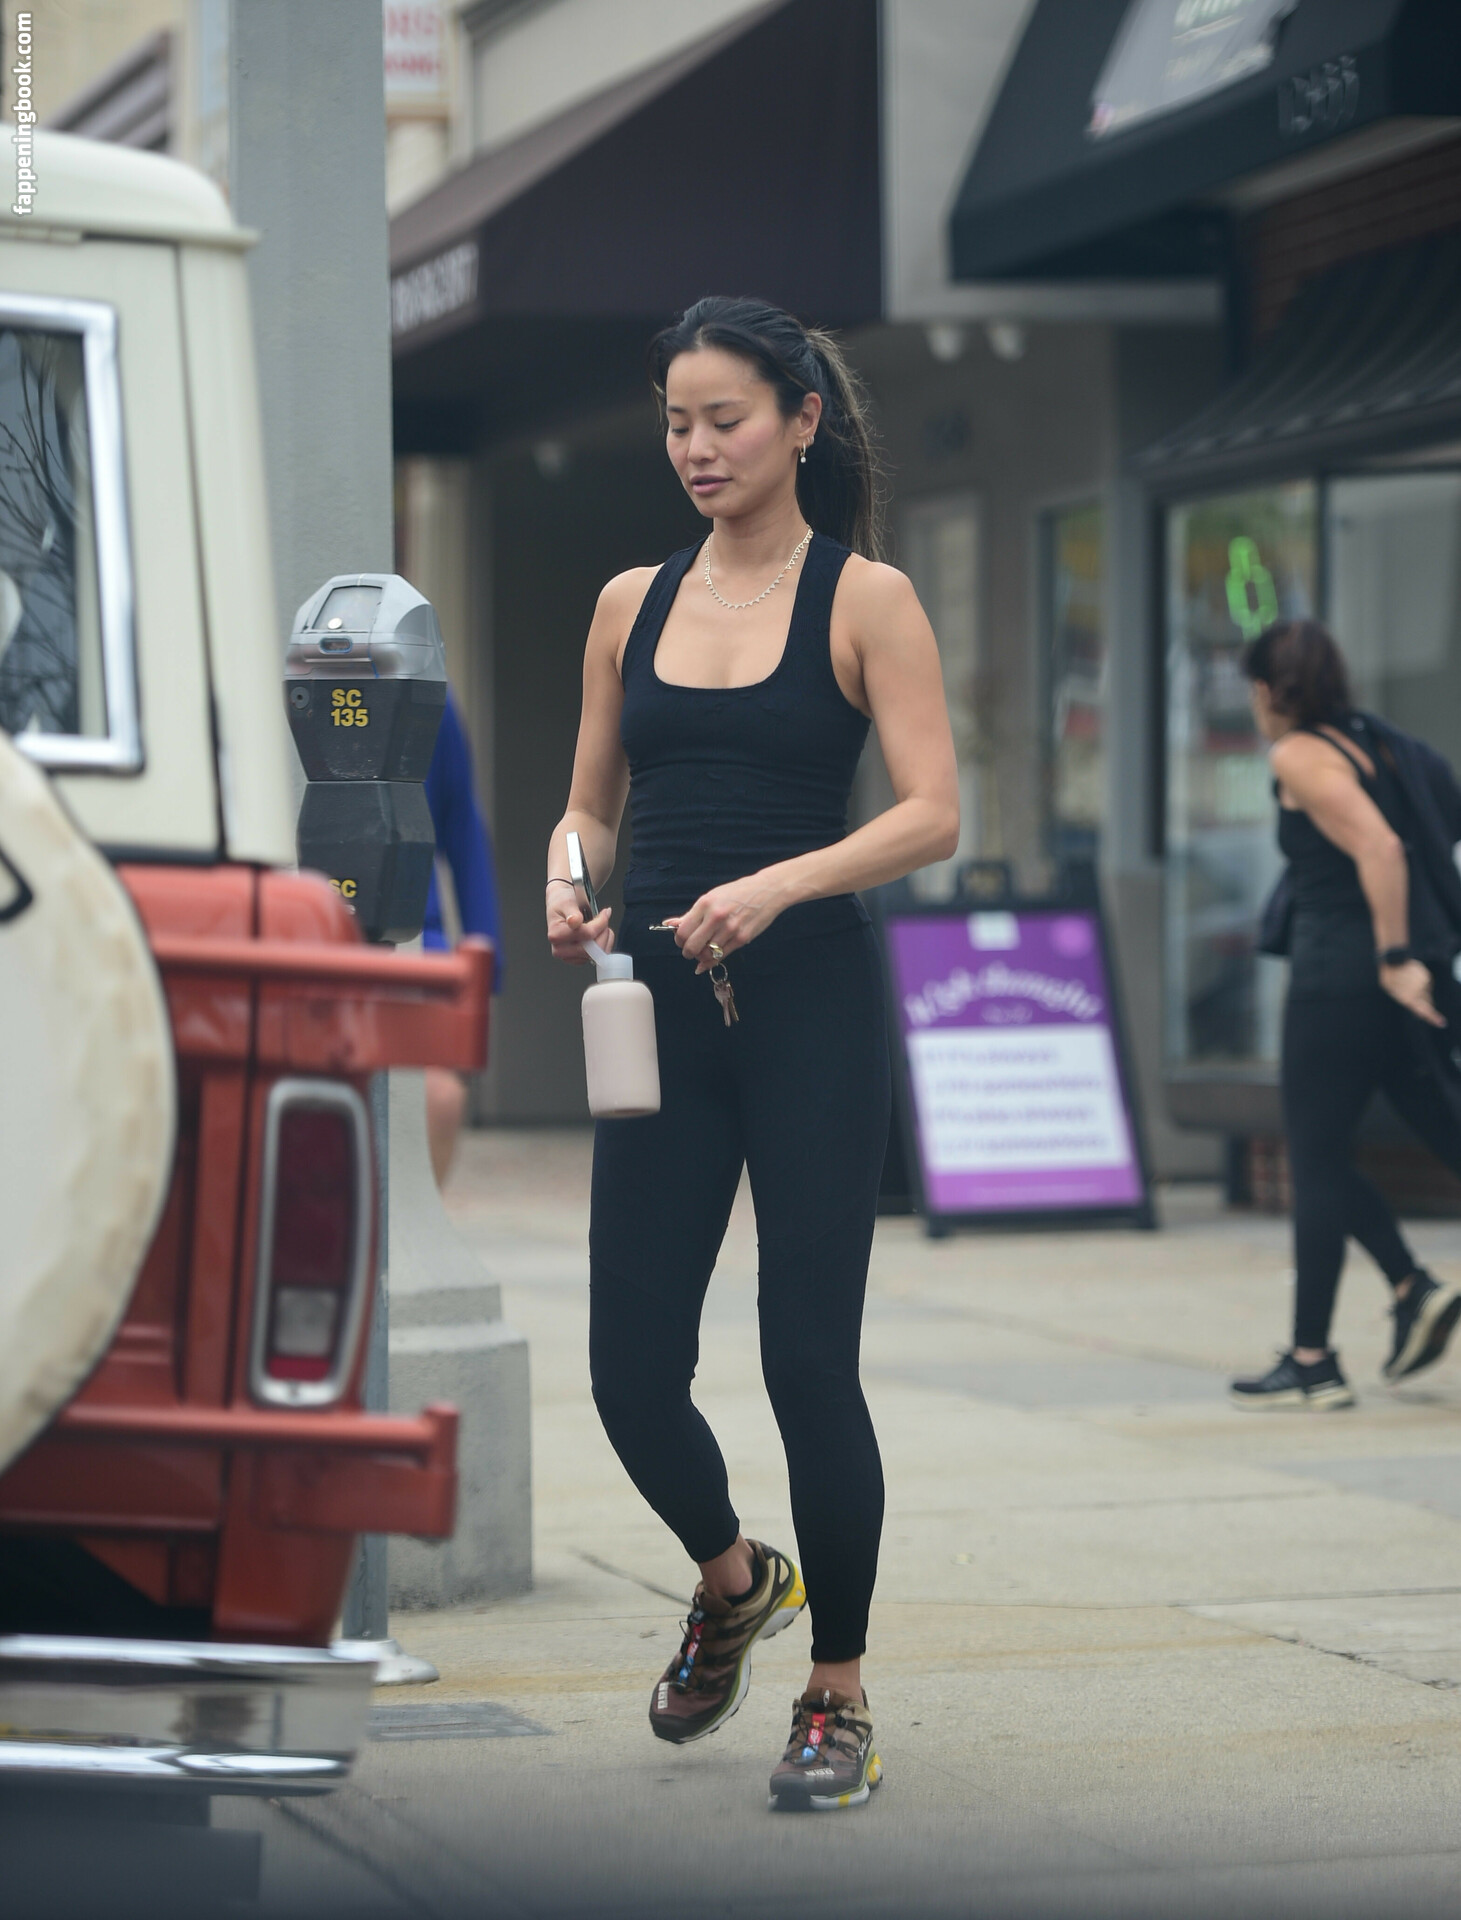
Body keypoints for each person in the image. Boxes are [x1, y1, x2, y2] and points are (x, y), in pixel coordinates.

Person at [545, 296, 958, 1811]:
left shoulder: (868, 599)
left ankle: (835, 1690)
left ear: (800, 420)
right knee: (628, 1370)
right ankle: (733, 1581)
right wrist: (567, 878)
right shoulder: (627, 603)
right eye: (676, 422)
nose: (696, 447)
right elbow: (591, 805)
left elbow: (933, 812)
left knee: (805, 1365)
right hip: (654, 1012)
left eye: (724, 418)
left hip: (811, 1012)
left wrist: (781, 882)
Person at [1232, 619, 1461, 1410]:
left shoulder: (1298, 753)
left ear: (1267, 688)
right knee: (1436, 1132)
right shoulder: (1375, 744)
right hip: (1388, 985)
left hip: (1338, 984)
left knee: (1315, 1162)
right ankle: (1408, 1287)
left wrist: (1393, 959)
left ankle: (1314, 1359)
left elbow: (1380, 848)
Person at [422, 687, 503, 1186]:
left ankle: (417, 1219)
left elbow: (462, 826)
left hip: (414, 941)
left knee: (440, 1097)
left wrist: (486, 960)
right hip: (297, 930)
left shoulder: (426, 696)